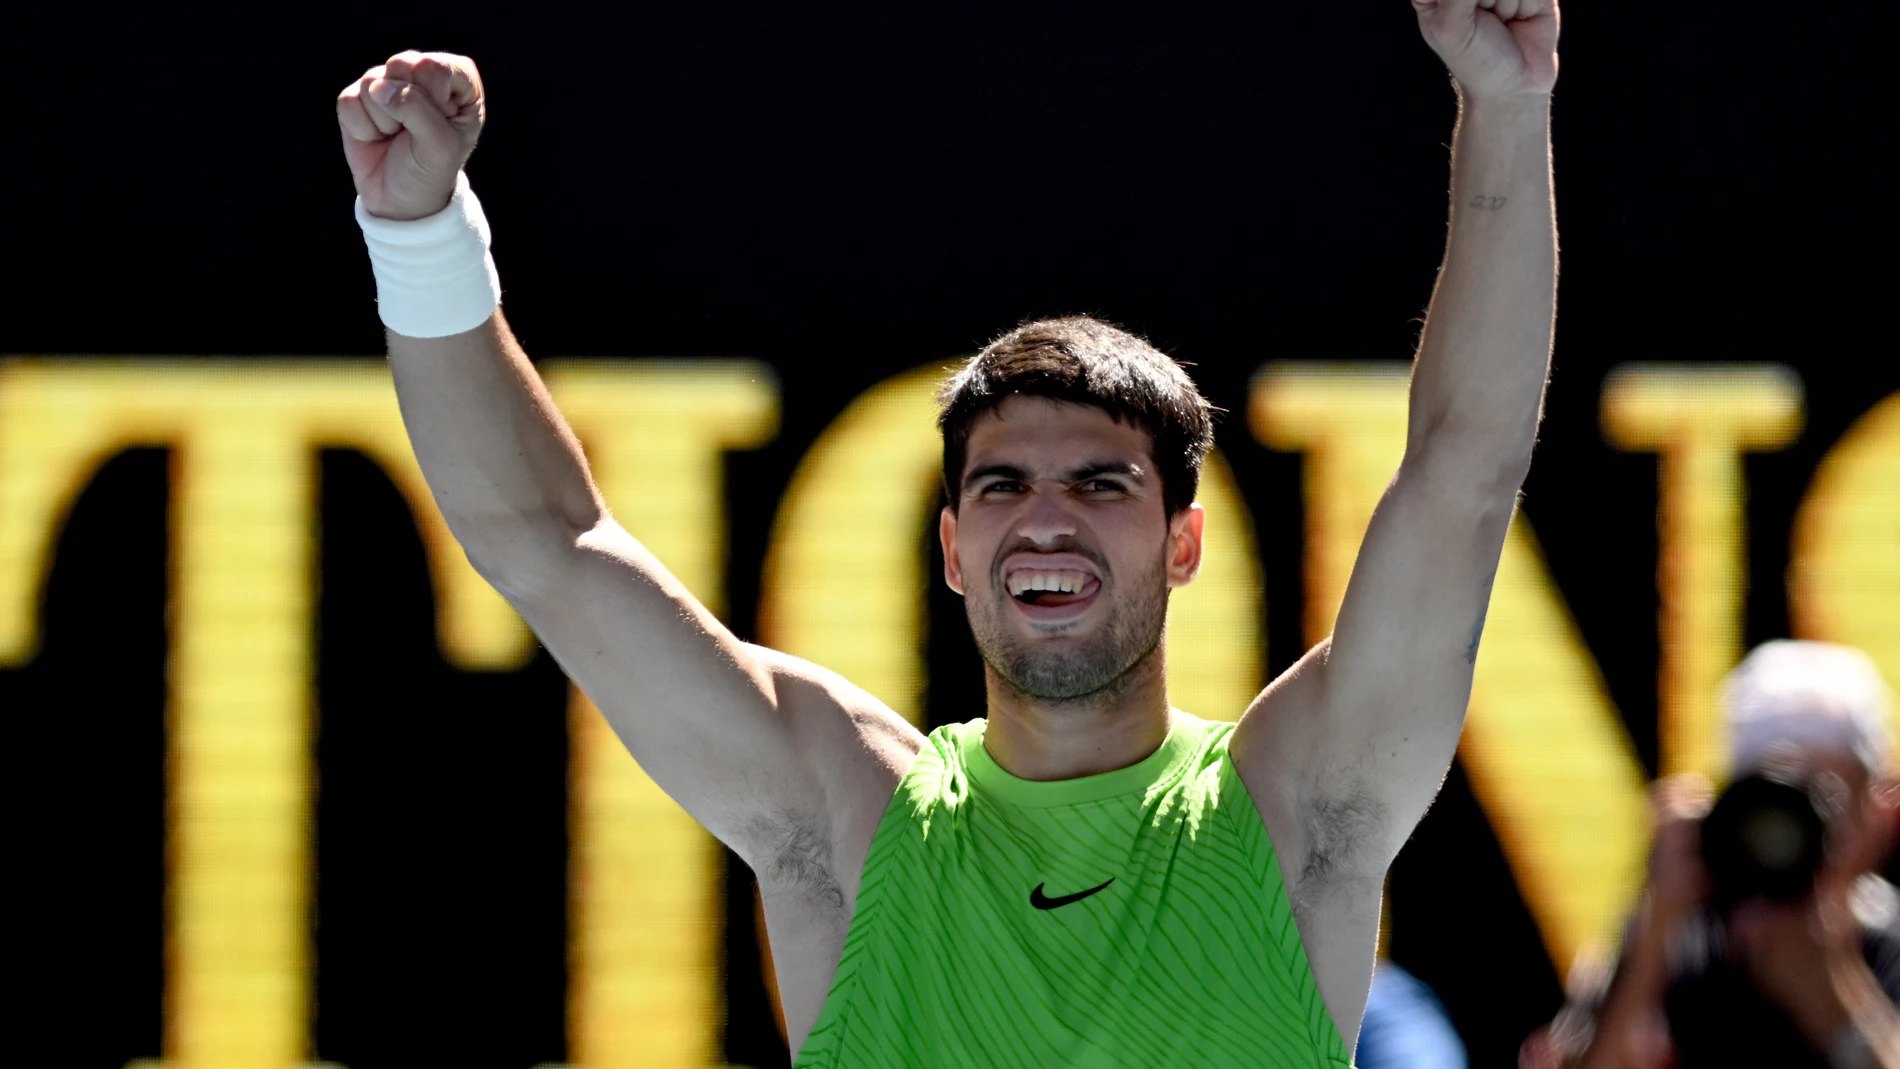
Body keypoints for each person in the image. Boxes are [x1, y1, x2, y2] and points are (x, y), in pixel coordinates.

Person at [334, 0, 1558, 1063]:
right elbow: (543, 541)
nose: (1045, 520)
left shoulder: (1292, 811)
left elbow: (1464, 470)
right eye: (1001, 486)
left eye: (1100, 484)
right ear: (953, 550)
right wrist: (422, 233)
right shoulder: (851, 819)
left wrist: (1504, 105)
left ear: (1185, 544)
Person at [1527, 641, 1900, 1069]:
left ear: (1878, 810)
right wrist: (1654, 935)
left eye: (1831, 797)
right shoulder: (1676, 936)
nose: (1793, 831)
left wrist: (1835, 995)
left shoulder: (1892, 942)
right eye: (1777, 798)